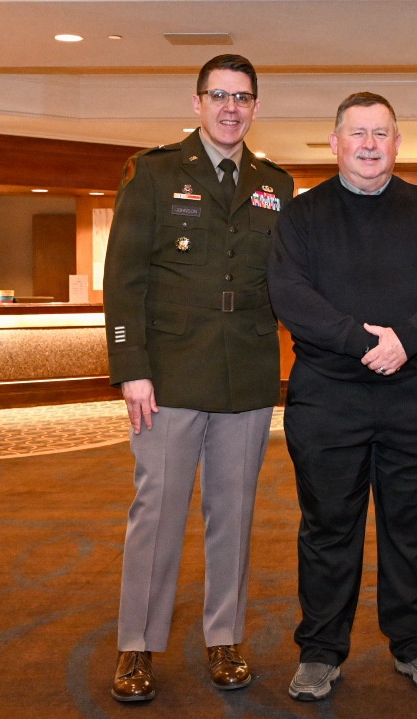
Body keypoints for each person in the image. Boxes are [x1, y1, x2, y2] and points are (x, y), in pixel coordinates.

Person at [103, 54, 294, 702]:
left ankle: (225, 637)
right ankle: (137, 643)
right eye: (219, 95)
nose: (230, 107)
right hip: (169, 375)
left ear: (255, 107)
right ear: (197, 102)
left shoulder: (274, 183)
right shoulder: (155, 173)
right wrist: (131, 369)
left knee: (233, 515)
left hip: (247, 374)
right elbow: (124, 279)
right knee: (157, 513)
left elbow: (287, 278)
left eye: (242, 97)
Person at [268, 92, 417, 702]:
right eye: (357, 133)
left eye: (381, 133)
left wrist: (406, 340)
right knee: (329, 529)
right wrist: (364, 342)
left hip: (414, 395)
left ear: (397, 144)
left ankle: (415, 644)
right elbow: (290, 293)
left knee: (414, 528)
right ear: (334, 142)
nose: (369, 144)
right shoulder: (303, 215)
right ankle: (320, 651)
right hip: (328, 398)